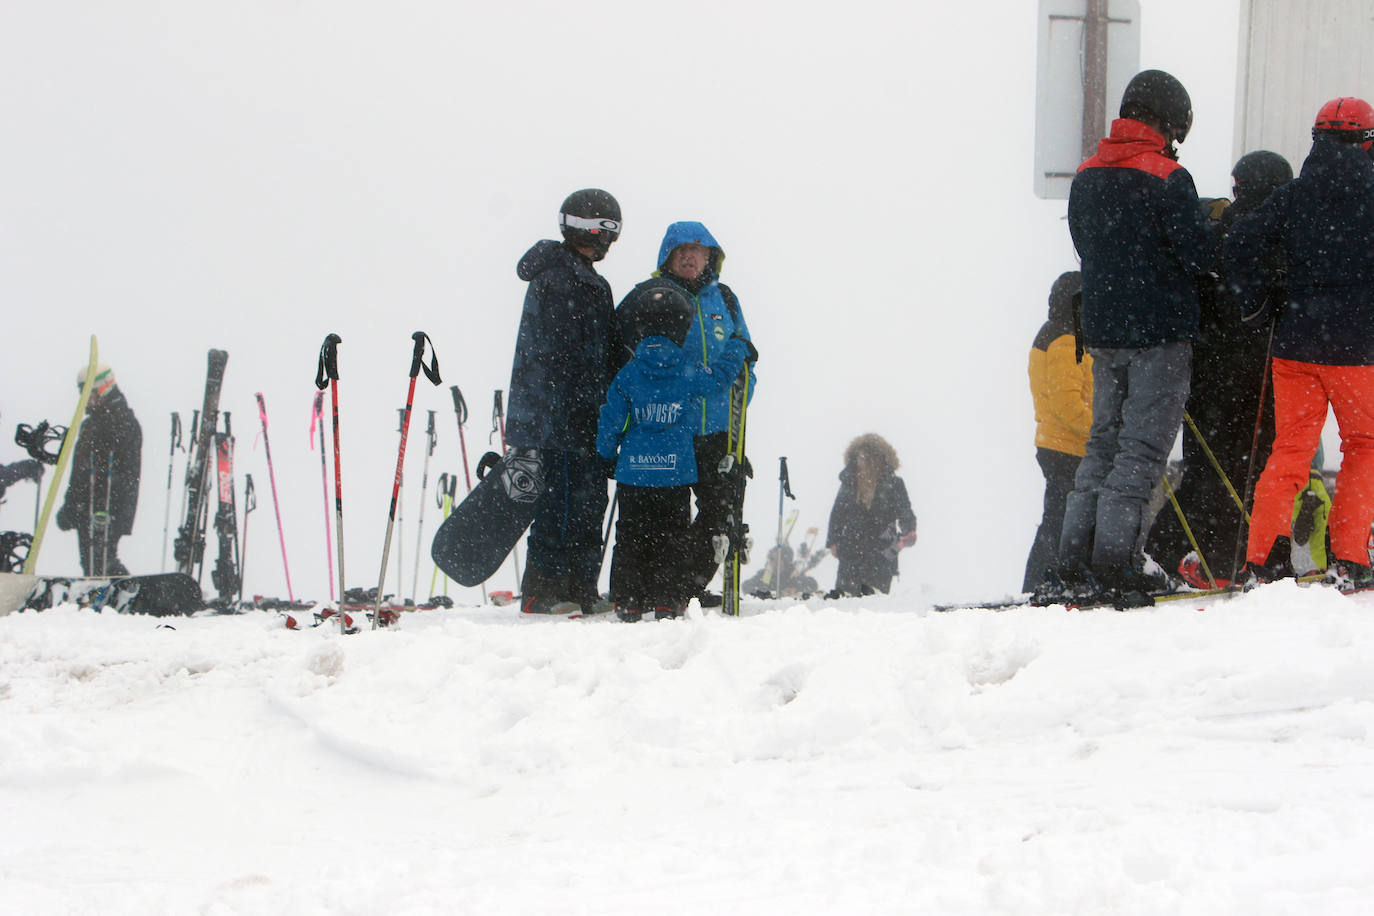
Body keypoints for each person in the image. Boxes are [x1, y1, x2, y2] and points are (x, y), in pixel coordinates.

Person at [1047, 69, 1219, 605]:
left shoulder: (1086, 175)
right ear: (1167, 121)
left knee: (1102, 446)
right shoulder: (1169, 178)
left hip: (1103, 332)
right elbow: (1199, 258)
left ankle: (1074, 559)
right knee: (1142, 451)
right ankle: (1117, 561)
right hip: (1160, 332)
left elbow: (1084, 246)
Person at [1226, 97, 1374, 589]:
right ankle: (1349, 559)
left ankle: (1260, 560)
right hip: (1358, 350)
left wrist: (1257, 300)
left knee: (1289, 449)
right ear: (1367, 140)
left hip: (1294, 346)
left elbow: (1240, 240)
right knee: (1364, 447)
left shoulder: (1294, 195)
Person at [1144, 150, 1291, 588]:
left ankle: (1178, 553)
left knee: (1207, 468)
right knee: (1263, 468)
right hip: (1261, 371)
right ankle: (1254, 559)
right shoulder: (1278, 239)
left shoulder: (1216, 234)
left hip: (1206, 372)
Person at [618, 222, 756, 605]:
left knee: (721, 513)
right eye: (682, 251)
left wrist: (740, 402)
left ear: (711, 256)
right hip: (667, 428)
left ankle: (683, 587)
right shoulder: (649, 296)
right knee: (662, 520)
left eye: (699, 250)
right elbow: (622, 353)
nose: (691, 256)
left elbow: (744, 350)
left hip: (718, 430)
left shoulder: (724, 300)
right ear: (668, 256)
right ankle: (656, 591)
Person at [597, 285, 751, 621]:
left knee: (631, 533)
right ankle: (668, 598)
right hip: (676, 470)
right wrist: (737, 348)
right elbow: (722, 379)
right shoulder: (688, 370)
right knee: (672, 535)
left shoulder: (628, 374)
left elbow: (612, 419)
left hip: (634, 473)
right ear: (682, 328)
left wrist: (607, 453)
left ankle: (629, 599)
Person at [505, 189, 623, 613]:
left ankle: (580, 588)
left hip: (585, 413)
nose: (606, 241)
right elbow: (556, 354)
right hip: (557, 415)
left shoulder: (589, 280)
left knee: (589, 500)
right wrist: (565, 408)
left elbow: (599, 351)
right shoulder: (557, 276)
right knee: (562, 501)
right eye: (602, 231)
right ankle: (543, 590)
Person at [1023, 271, 1093, 592]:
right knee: (1061, 519)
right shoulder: (1067, 338)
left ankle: (1044, 581)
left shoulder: (1055, 332)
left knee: (1058, 517)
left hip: (1057, 444)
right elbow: (1067, 403)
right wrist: (1102, 431)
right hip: (1068, 446)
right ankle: (1046, 581)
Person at [56, 364, 142, 576]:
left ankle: (124, 594)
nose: (85, 400)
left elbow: (125, 470)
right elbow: (79, 472)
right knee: (90, 563)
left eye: (88, 393)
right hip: (85, 506)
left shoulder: (123, 421)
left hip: (108, 506)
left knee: (103, 560)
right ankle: (98, 599)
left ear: (102, 388)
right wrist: (71, 504)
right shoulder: (89, 426)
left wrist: (114, 509)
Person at [825, 434, 916, 597]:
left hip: (883, 550)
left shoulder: (894, 484)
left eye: (865, 458)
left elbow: (905, 511)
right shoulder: (849, 483)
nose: (861, 463)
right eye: (858, 458)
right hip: (852, 550)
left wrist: (909, 530)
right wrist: (833, 540)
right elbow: (837, 513)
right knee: (845, 598)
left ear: (877, 460)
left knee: (875, 600)